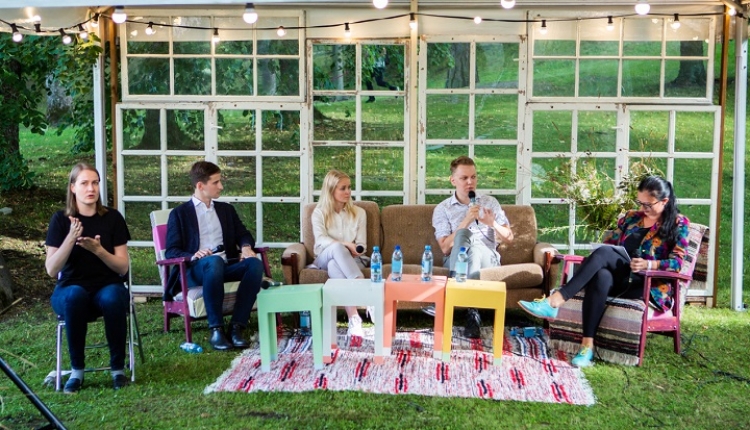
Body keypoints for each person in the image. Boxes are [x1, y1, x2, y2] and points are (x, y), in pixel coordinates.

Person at [519, 176, 690, 368]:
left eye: (648, 205)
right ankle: (587, 347)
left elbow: (677, 263)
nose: (643, 209)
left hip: (646, 284)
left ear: (664, 201)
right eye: (640, 203)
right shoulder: (631, 218)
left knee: (602, 261)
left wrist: (648, 265)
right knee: (601, 274)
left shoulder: (679, 224)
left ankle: (555, 301)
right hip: (621, 277)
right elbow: (609, 247)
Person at [46, 163, 131, 394]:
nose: (91, 188)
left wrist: (99, 250)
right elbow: (52, 270)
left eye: (95, 182)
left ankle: (118, 370)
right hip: (70, 288)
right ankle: (77, 372)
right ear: (73, 187)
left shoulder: (112, 218)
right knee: (75, 296)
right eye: (84, 183)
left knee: (113, 297)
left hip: (107, 285)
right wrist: (70, 239)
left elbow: (123, 267)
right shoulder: (61, 220)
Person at [165, 161, 264, 351]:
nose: (221, 186)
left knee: (254, 264)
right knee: (213, 261)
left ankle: (237, 328)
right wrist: (194, 254)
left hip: (224, 266)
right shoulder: (179, 214)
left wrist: (244, 247)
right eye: (216, 182)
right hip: (196, 271)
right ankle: (216, 329)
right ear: (200, 186)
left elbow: (244, 234)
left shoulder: (226, 210)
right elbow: (172, 251)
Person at [428, 156, 514, 338]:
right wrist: (467, 219)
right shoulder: (443, 209)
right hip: (455, 258)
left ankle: (446, 298)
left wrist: (492, 223)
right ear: (453, 181)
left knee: (475, 247)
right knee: (465, 238)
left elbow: (509, 237)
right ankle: (472, 314)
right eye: (464, 178)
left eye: (473, 177)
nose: (470, 182)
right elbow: (444, 248)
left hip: (487, 258)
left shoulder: (490, 203)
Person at [311, 170, 368, 338]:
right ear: (331, 190)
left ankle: (354, 318)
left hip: (353, 260)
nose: (348, 192)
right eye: (343, 188)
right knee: (336, 249)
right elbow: (321, 239)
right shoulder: (319, 213)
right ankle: (363, 288)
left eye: (349, 187)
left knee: (334, 265)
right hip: (324, 256)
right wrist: (345, 245)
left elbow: (362, 246)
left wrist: (353, 249)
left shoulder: (360, 213)